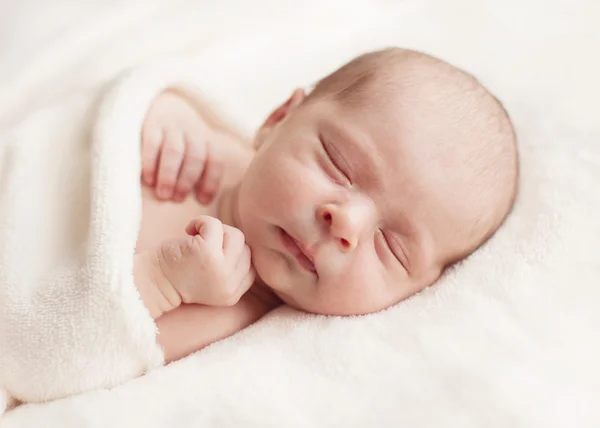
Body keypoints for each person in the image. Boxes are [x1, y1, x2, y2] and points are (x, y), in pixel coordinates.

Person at [133, 47, 519, 363]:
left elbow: (96, 346)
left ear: (417, 291)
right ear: (279, 117)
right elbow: (130, 80)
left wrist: (161, 281)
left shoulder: (220, 317)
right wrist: (161, 105)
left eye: (391, 247)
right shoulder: (198, 140)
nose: (346, 223)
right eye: (338, 165)